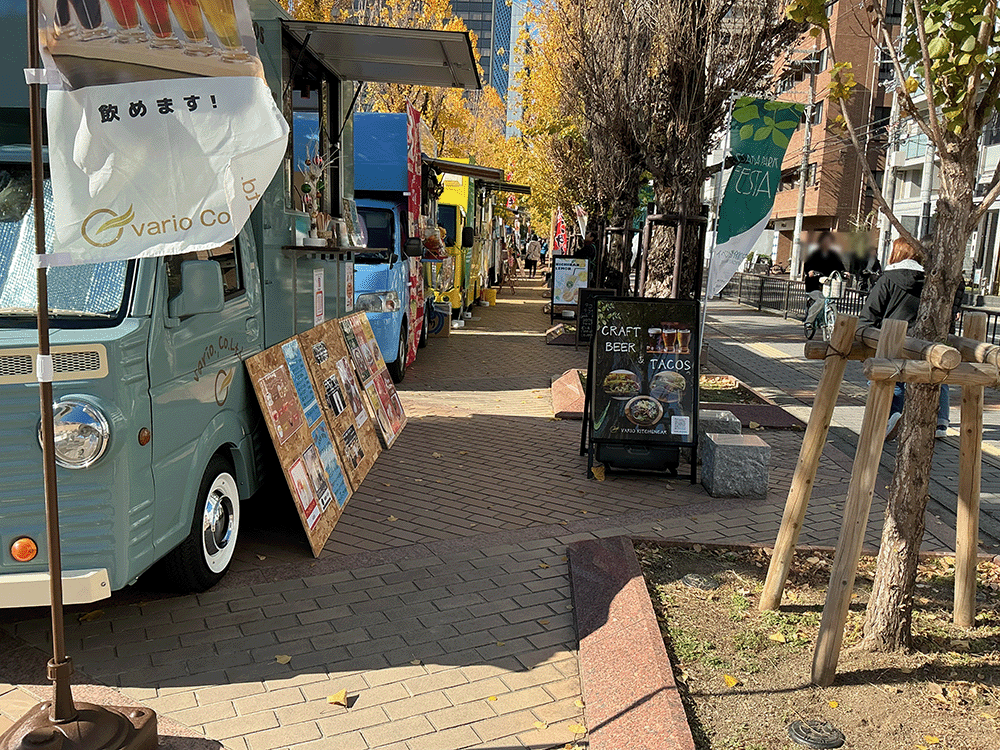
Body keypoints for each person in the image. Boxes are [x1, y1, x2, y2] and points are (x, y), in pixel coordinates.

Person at [859, 237, 951, 439]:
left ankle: (893, 414)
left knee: (894, 377)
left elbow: (871, 311)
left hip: (890, 337)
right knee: (938, 376)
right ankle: (940, 421)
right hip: (923, 341)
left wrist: (863, 333)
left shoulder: (888, 279)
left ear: (897, 253)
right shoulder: (931, 282)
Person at [803, 231, 847, 325]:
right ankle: (809, 321)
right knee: (821, 299)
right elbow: (807, 265)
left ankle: (827, 319)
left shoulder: (834, 255)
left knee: (830, 299)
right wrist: (810, 271)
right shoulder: (814, 254)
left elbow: (840, 266)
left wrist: (844, 272)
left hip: (828, 285)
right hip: (814, 285)